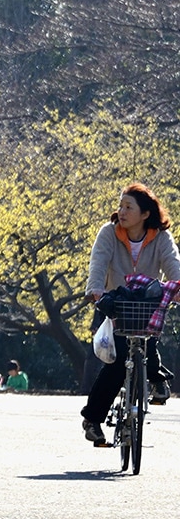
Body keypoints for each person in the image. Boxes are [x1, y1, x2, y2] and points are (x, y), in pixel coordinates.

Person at [80, 184, 180, 446]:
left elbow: (173, 264)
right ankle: (93, 419)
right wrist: (96, 291)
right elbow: (99, 262)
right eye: (120, 206)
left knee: (149, 344)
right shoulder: (109, 233)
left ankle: (156, 377)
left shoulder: (160, 238)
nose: (121, 211)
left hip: (148, 303)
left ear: (145, 214)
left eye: (128, 207)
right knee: (117, 360)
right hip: (117, 303)